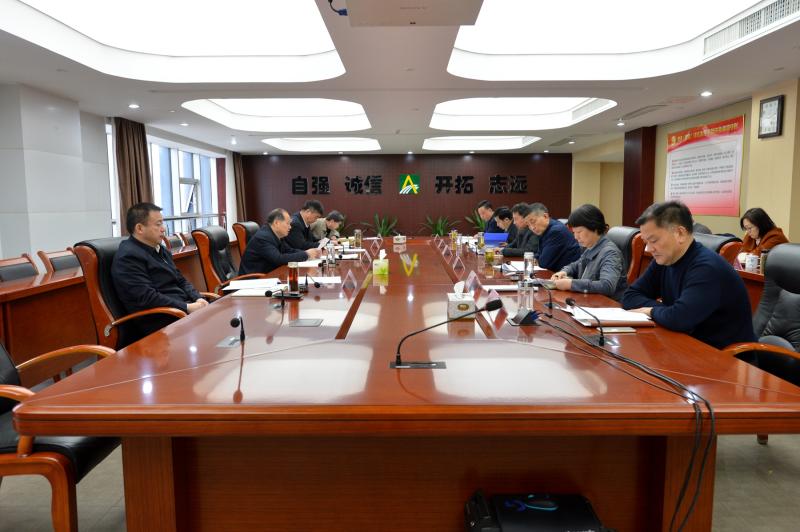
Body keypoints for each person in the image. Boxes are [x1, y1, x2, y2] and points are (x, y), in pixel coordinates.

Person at [622, 201, 755, 349]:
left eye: (653, 240)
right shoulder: (665, 259)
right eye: (646, 241)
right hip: (686, 346)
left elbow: (680, 319)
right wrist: (668, 311)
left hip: (725, 356)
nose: (648, 248)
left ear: (680, 234)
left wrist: (651, 311)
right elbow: (629, 297)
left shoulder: (707, 268)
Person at [111, 202, 208, 339]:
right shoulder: (128, 257)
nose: (163, 229)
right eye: (158, 224)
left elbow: (180, 280)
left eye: (163, 223)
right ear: (139, 228)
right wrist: (187, 307)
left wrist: (198, 298)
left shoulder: (160, 249)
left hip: (181, 312)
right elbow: (148, 298)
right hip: (162, 320)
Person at [550, 204, 627, 301]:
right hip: (588, 301)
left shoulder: (610, 253)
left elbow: (607, 286)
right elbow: (576, 265)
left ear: (594, 227)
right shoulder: (591, 246)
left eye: (579, 232)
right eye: (574, 233)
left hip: (607, 305)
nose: (576, 237)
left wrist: (571, 284)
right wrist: (563, 272)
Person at [239, 208, 322, 275]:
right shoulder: (263, 237)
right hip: (254, 280)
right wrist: (306, 254)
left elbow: (289, 250)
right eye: (288, 223)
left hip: (268, 276)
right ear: (276, 223)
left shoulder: (275, 234)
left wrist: (309, 253)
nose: (290, 227)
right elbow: (278, 259)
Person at [524, 203, 581, 272]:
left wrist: (538, 260)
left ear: (545, 216)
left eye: (533, 221)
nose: (532, 227)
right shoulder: (545, 230)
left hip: (569, 274)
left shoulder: (556, 231)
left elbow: (544, 263)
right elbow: (538, 255)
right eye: (528, 225)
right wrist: (537, 259)